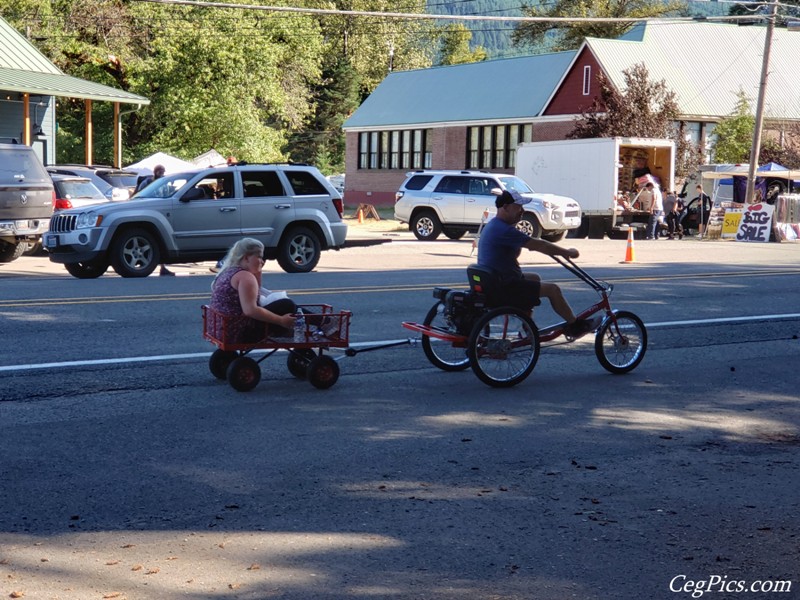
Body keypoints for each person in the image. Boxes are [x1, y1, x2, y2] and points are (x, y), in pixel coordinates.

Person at [478, 189, 601, 339]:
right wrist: (566, 252)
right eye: (518, 207)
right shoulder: (503, 230)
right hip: (504, 286)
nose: (522, 211)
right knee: (553, 290)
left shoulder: (494, 225)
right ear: (505, 207)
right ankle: (575, 326)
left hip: (497, 280)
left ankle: (526, 326)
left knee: (534, 278)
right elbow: (539, 245)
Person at [210, 238, 297, 342]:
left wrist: (257, 272)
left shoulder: (228, 271)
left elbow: (256, 296)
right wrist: (281, 320)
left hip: (221, 329)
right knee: (287, 305)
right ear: (246, 258)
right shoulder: (245, 277)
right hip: (238, 332)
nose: (262, 261)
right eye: (259, 257)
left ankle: (320, 322)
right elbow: (250, 310)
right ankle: (318, 324)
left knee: (281, 304)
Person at [134, 164, 174, 276]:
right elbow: (139, 196)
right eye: (160, 171)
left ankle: (163, 267)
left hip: (160, 212)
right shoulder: (147, 183)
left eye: (163, 171)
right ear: (155, 171)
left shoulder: (163, 183)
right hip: (147, 212)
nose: (162, 173)